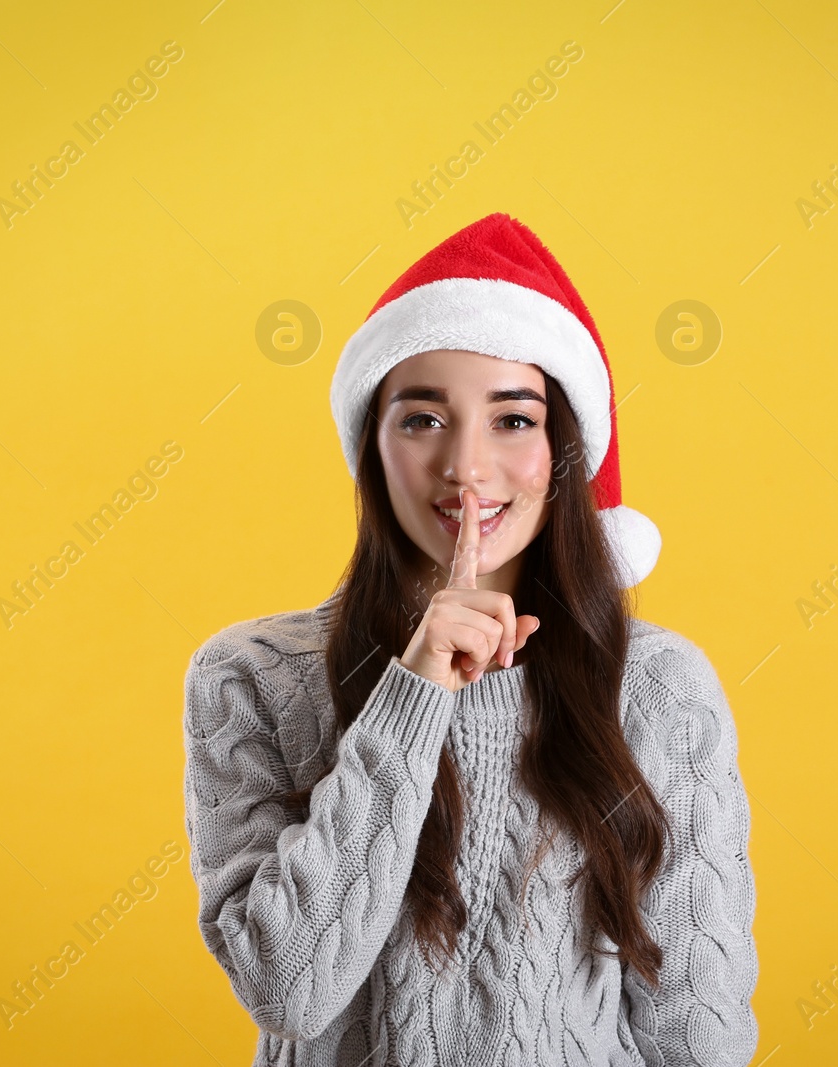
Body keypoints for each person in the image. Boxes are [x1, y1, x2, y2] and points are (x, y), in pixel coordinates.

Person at [181, 212, 758, 1066]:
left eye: (514, 420)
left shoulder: (659, 686)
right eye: (421, 420)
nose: (466, 465)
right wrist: (414, 695)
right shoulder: (249, 677)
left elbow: (699, 1036)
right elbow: (287, 987)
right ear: (370, 448)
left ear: (564, 450)